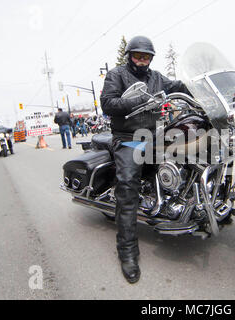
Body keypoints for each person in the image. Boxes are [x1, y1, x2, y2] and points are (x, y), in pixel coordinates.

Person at [100, 35, 191, 284]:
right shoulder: (116, 75)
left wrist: (198, 88)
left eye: (146, 56)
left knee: (191, 155)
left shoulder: (156, 77)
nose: (142, 60)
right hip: (128, 137)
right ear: (129, 55)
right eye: (138, 55)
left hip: (154, 135)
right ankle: (127, 253)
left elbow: (176, 86)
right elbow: (107, 104)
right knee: (128, 187)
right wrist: (143, 99)